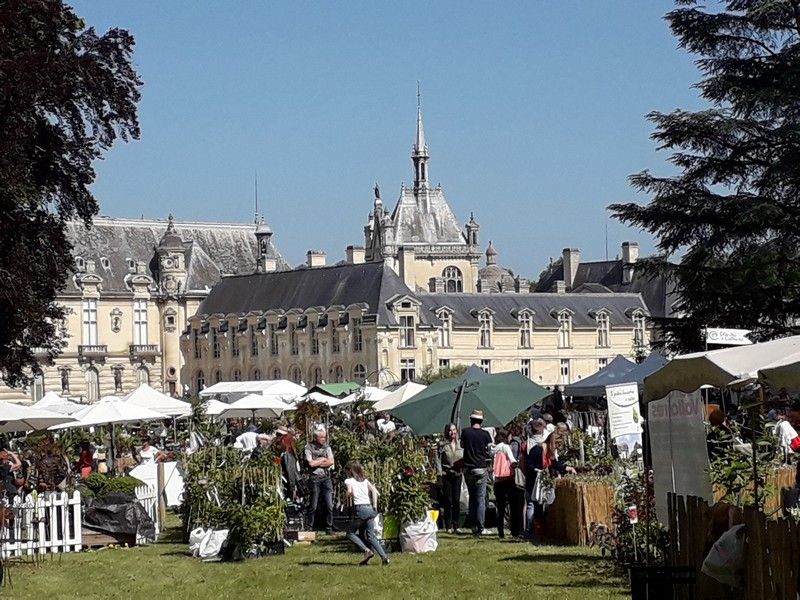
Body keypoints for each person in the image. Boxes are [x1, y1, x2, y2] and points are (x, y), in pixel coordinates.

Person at [344, 461, 390, 566]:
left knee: (350, 533)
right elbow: (375, 492)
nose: (346, 474)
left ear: (350, 471)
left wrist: (344, 498)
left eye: (346, 472)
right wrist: (374, 506)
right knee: (371, 536)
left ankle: (366, 550)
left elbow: (350, 491)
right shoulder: (364, 480)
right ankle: (385, 557)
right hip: (370, 508)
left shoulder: (348, 481)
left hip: (360, 509)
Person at [460, 409, 492, 536]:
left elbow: (462, 445)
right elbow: (490, 450)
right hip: (481, 467)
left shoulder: (465, 432)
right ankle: (481, 526)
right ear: (481, 421)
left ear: (471, 420)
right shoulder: (485, 434)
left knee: (472, 498)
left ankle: (473, 525)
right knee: (480, 499)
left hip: (468, 468)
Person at [304, 427, 335, 534]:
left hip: (326, 478)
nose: (323, 439)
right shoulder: (309, 448)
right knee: (313, 505)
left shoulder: (327, 447)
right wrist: (323, 459)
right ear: (316, 437)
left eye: (324, 437)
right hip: (314, 479)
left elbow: (331, 461)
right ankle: (309, 527)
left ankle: (329, 527)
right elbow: (310, 464)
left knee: (329, 505)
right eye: (321, 437)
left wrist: (318, 461)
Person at [492, 429, 518, 539]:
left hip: (497, 480)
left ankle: (500, 531)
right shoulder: (506, 447)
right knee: (512, 505)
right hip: (507, 479)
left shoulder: (494, 449)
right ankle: (514, 531)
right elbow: (512, 461)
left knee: (500, 507)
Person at [438, 422, 464, 533]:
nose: (452, 432)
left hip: (458, 475)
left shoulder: (461, 444)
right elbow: (438, 461)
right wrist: (439, 474)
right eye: (450, 430)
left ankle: (456, 525)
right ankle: (448, 525)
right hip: (446, 474)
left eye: (453, 430)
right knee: (448, 500)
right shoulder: (443, 445)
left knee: (456, 500)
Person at [278, 429, 300, 500]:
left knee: (291, 476)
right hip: (288, 459)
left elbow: (290, 474)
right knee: (292, 476)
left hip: (287, 459)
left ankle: (292, 495)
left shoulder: (287, 454)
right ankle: (292, 493)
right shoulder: (287, 439)